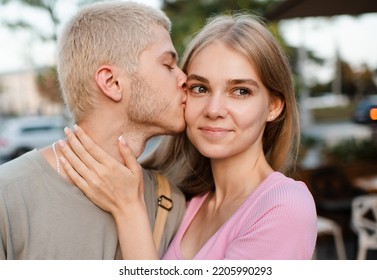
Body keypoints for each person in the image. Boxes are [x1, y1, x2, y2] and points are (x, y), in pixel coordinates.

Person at [59, 13, 317, 260]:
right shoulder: (186, 202)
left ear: (274, 106)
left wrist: (128, 209)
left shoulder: (284, 206)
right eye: (200, 88)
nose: (214, 110)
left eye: (240, 91)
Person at [0, 1, 187, 260]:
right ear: (111, 82)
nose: (184, 78)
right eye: (168, 65)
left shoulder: (170, 202)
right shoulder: (7, 195)